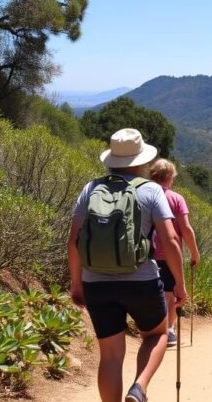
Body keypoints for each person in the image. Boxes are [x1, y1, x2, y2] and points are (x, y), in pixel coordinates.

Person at [68, 128, 187, 402]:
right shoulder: (151, 190)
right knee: (156, 335)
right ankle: (139, 388)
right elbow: (170, 240)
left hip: (96, 283)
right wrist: (179, 284)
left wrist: (77, 283)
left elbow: (73, 241)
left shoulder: (91, 189)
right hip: (141, 280)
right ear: (142, 160)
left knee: (110, 355)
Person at [149, 159, 200, 347]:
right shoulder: (175, 198)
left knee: (150, 290)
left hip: (144, 253)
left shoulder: (141, 194)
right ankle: (168, 330)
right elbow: (186, 228)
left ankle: (151, 326)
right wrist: (195, 253)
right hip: (169, 253)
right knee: (170, 292)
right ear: (170, 177)